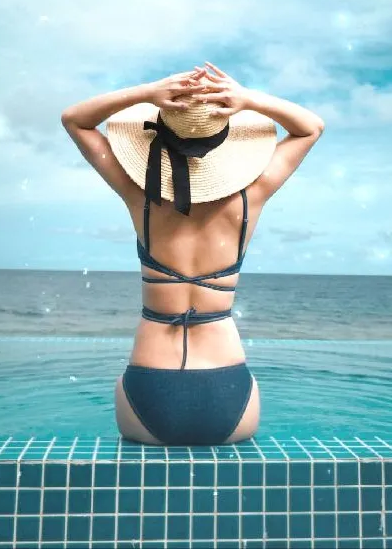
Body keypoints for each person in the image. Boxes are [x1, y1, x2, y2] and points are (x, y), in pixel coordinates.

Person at [61, 61, 325, 445]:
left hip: (146, 399)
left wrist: (149, 92)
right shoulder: (253, 196)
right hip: (230, 400)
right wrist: (247, 98)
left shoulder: (142, 197)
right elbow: (311, 127)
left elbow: (75, 120)